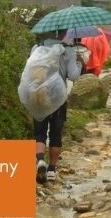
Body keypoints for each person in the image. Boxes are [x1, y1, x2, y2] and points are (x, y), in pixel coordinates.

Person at [34, 29, 82, 184]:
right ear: (62, 33)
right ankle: (52, 169)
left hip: (39, 94)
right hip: (57, 97)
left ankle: (40, 159)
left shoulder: (37, 47)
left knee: (40, 132)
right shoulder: (67, 50)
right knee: (55, 133)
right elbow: (73, 76)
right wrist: (80, 62)